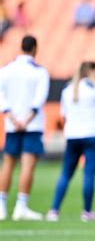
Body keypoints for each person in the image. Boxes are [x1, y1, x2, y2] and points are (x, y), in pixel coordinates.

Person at [46, 61, 95, 222]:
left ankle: (54, 210)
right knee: (89, 174)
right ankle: (87, 212)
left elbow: (64, 115)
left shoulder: (68, 90)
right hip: (93, 133)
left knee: (66, 173)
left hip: (73, 135)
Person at [0, 35, 50, 221]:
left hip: (12, 124)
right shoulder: (40, 72)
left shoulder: (6, 69)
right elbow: (39, 99)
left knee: (8, 163)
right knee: (27, 164)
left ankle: (2, 206)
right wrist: (26, 120)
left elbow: (1, 96)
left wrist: (13, 118)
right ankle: (21, 206)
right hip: (32, 125)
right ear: (35, 48)